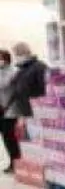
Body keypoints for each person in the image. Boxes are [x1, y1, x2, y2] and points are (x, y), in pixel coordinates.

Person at [3, 43, 46, 171]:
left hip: (36, 109)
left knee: (38, 139)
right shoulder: (21, 70)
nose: (17, 57)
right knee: (27, 142)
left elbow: (44, 88)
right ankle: (29, 166)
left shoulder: (39, 67)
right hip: (23, 110)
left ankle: (42, 167)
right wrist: (7, 106)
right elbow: (16, 90)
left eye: (18, 54)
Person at [0, 49, 16, 173]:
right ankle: (12, 161)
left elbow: (5, 85)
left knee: (10, 136)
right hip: (1, 108)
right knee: (5, 137)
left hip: (11, 108)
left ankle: (16, 161)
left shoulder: (13, 71)